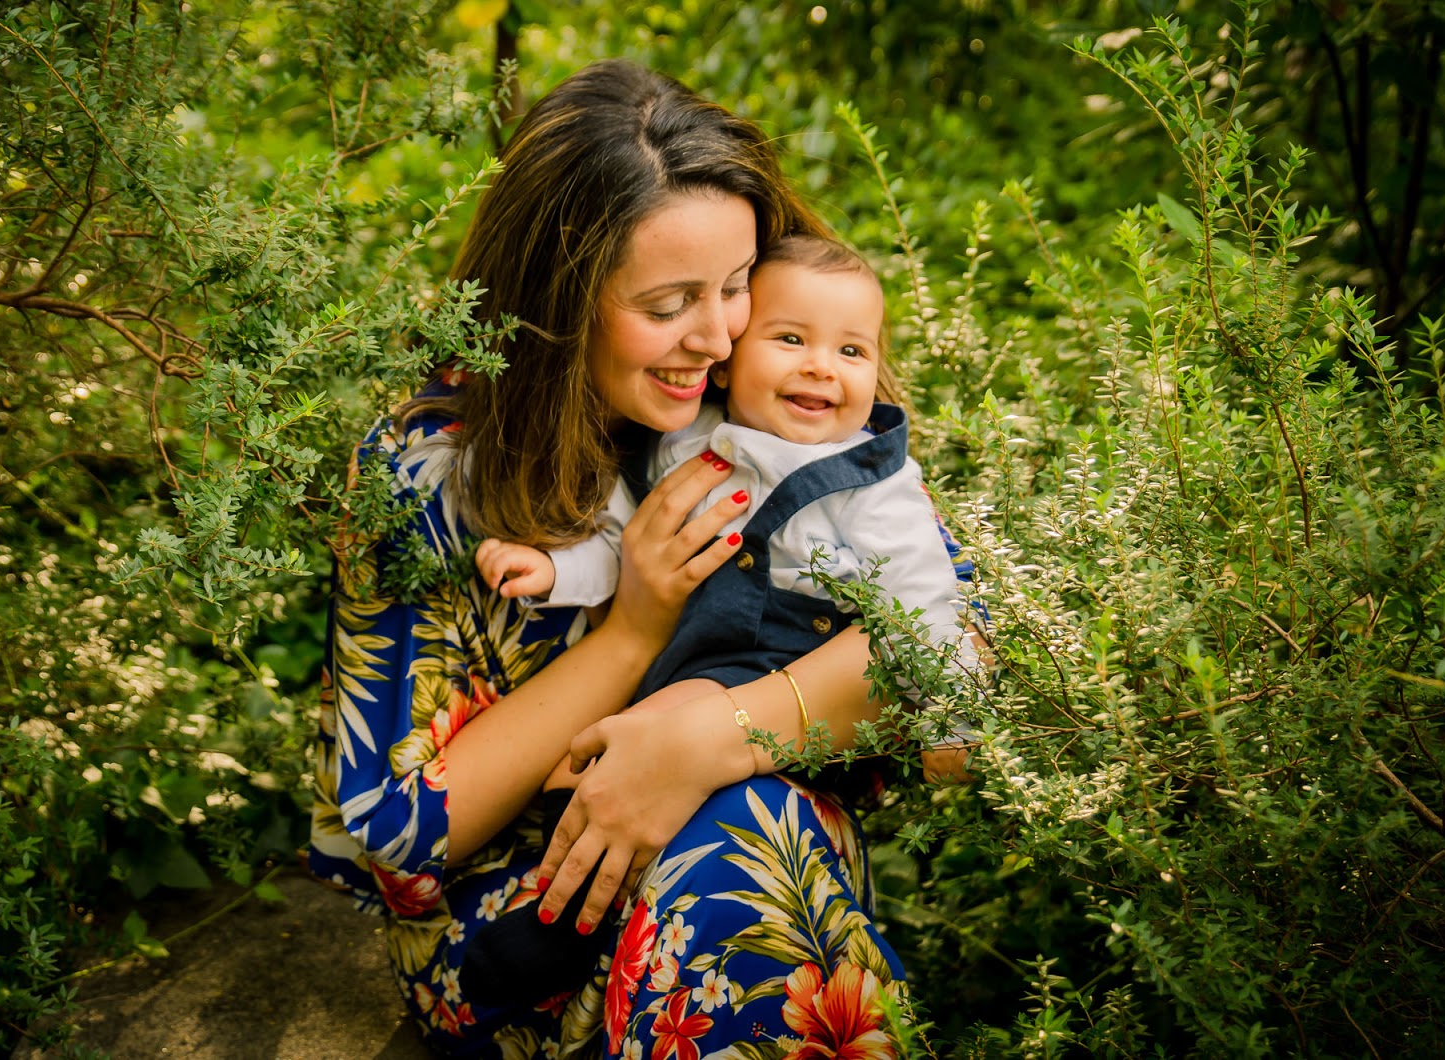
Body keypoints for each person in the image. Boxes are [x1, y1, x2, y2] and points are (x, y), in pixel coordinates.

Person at [308, 59, 974, 1058]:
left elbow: (949, 639)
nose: (717, 337)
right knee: (749, 840)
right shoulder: (431, 470)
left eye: (738, 287)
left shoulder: (778, 412)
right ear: (557, 301)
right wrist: (634, 630)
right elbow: (402, 832)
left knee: (749, 821)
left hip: (744, 834)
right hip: (525, 930)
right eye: (667, 305)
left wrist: (709, 739)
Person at [461, 233, 971, 1008]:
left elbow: (926, 597)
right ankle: (591, 896)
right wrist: (556, 571)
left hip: (780, 660)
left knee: (632, 747)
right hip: (695, 653)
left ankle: (560, 932)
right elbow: (627, 544)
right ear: (729, 360)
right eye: (791, 339)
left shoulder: (873, 482)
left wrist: (949, 718)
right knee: (577, 766)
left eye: (852, 351)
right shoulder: (689, 443)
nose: (821, 367)